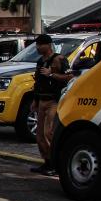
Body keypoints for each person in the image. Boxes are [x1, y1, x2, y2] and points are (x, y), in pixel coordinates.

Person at [30, 34, 71, 176]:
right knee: (40, 135)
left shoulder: (59, 59)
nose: (38, 47)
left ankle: (57, 163)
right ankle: (47, 162)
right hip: (41, 100)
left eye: (40, 44)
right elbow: (38, 82)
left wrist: (51, 74)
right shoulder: (40, 61)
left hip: (54, 101)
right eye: (37, 44)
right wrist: (35, 100)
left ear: (48, 45)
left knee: (49, 133)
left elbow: (69, 77)